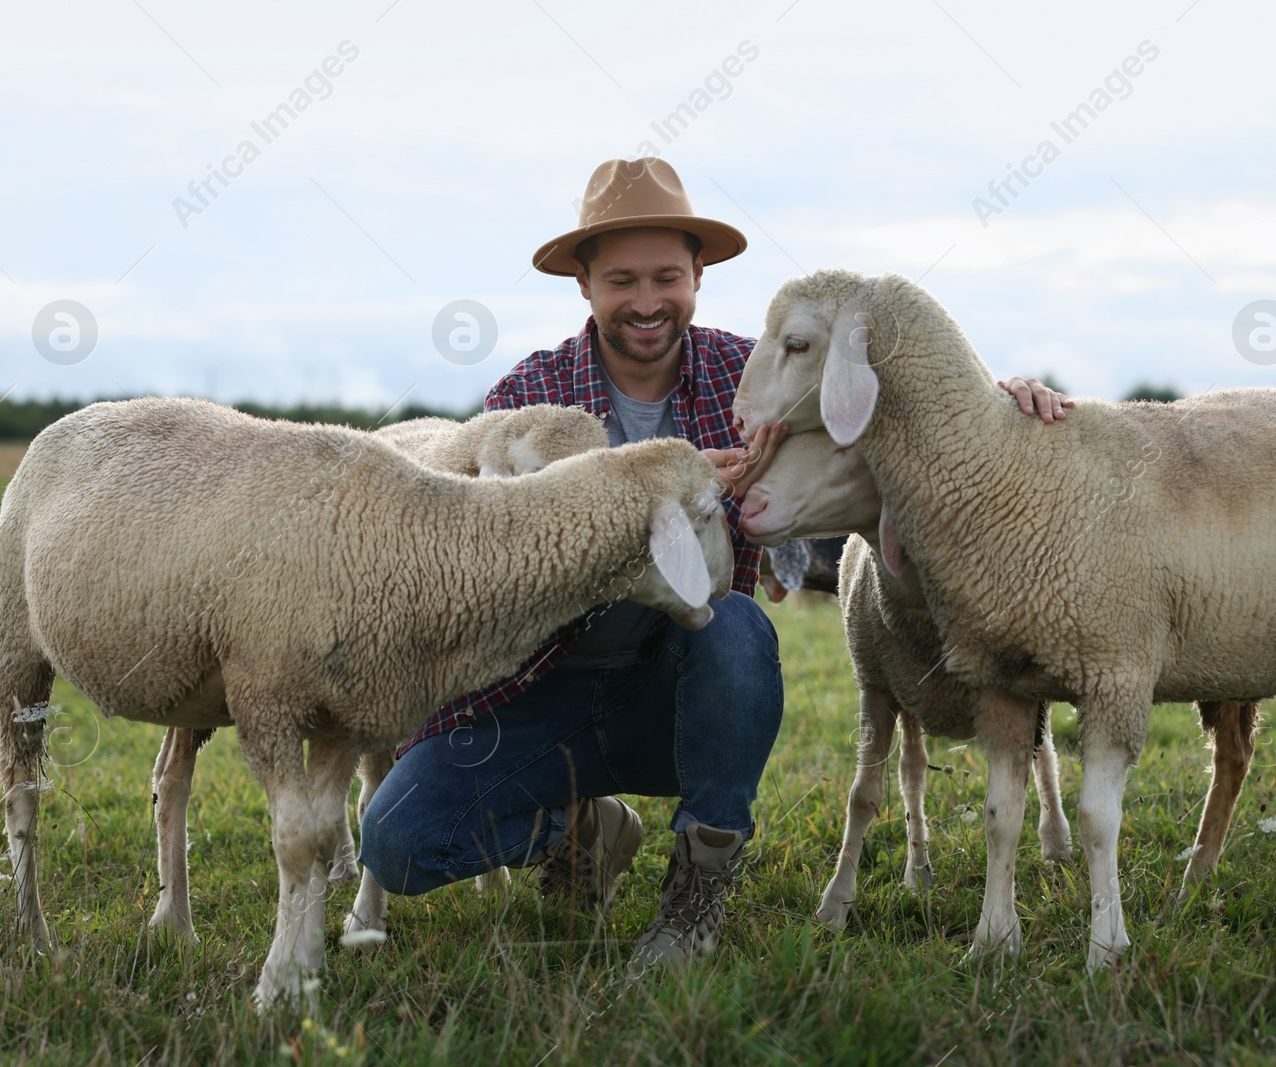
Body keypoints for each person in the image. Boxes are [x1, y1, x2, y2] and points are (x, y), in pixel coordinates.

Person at [358, 157, 1070, 973]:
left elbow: (905, 417)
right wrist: (659, 487)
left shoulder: (758, 374)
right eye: (622, 279)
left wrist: (1003, 403)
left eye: (668, 276)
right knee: (396, 843)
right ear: (584, 285)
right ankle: (585, 827)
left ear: (698, 275)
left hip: (679, 695)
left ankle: (699, 882)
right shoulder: (532, 393)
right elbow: (478, 560)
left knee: (734, 626)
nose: (648, 301)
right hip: (537, 691)